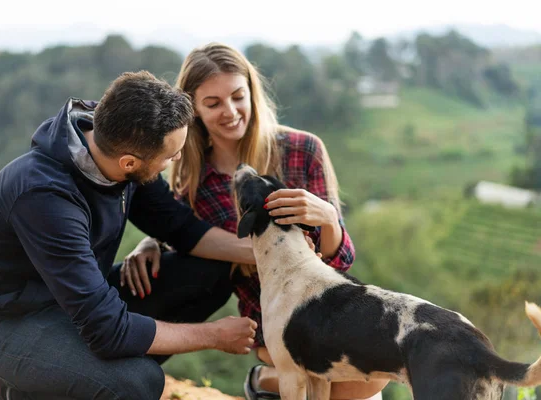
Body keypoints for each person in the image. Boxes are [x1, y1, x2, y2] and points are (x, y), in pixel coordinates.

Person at [0, 70, 261, 400]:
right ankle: (41, 385)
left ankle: (57, 382)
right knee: (138, 382)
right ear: (129, 163)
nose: (173, 162)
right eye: (170, 156)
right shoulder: (43, 196)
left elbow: (180, 227)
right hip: (7, 325)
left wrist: (268, 253)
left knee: (210, 271)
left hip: (77, 304)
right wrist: (213, 335)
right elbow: (107, 329)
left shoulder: (120, 139)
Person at [121, 43, 388, 400]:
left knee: (374, 376)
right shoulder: (191, 179)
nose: (229, 112)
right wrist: (151, 241)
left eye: (237, 96)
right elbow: (188, 241)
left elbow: (339, 262)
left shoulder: (302, 149)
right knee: (341, 386)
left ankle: (262, 381)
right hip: (269, 318)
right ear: (194, 110)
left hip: (327, 306)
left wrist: (327, 218)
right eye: (213, 103)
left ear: (252, 93)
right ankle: (265, 377)